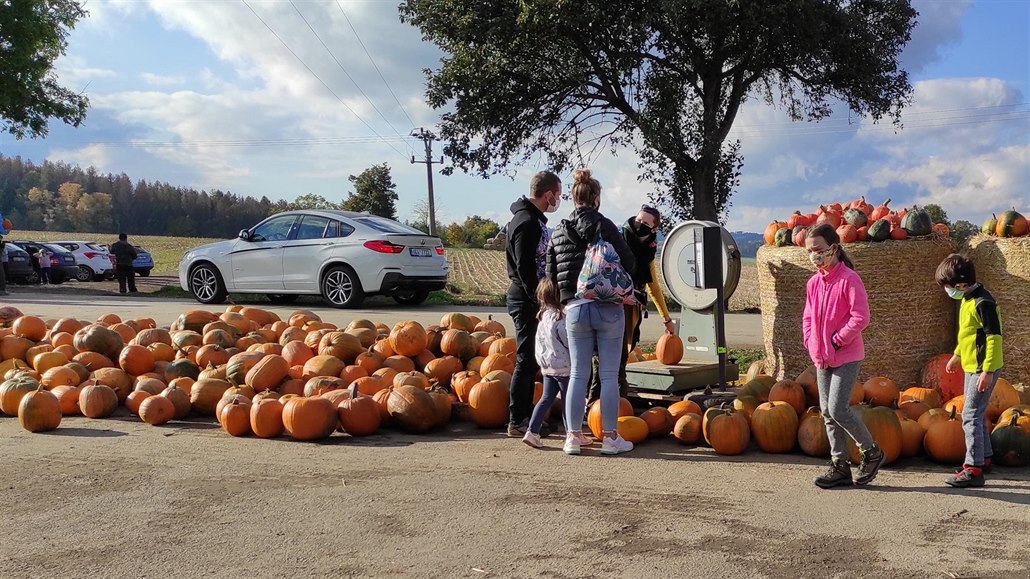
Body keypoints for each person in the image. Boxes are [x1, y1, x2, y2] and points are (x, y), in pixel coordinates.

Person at [547, 168, 636, 456]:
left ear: (573, 197)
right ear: (596, 198)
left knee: (577, 375)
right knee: (609, 375)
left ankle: (573, 437)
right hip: (608, 306)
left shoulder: (558, 231)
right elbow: (630, 263)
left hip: (574, 308)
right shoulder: (605, 225)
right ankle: (610, 438)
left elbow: (550, 274)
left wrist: (562, 301)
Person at [802, 222, 884, 488]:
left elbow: (861, 317)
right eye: (809, 251)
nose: (814, 255)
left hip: (846, 355)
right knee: (826, 412)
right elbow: (808, 317)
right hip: (821, 356)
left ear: (834, 248)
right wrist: (810, 340)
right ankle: (839, 466)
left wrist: (838, 340)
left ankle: (871, 452)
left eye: (818, 249)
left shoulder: (849, 279)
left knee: (837, 408)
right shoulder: (814, 283)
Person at [588, 205, 675, 400]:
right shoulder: (618, 241)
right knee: (603, 357)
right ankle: (598, 401)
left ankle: (615, 402)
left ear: (653, 229)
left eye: (645, 223)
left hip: (632, 309)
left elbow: (653, 287)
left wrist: (665, 318)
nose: (639, 225)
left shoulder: (648, 253)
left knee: (622, 356)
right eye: (638, 220)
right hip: (610, 305)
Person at [935, 253, 1003, 488]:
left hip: (983, 368)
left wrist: (988, 371)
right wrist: (957, 355)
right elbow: (969, 335)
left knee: (970, 415)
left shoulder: (984, 303)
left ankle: (973, 469)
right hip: (971, 365)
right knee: (976, 412)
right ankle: (983, 457)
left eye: (948, 287)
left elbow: (993, 338)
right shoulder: (967, 299)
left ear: (961, 285)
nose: (948, 291)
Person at [504, 171, 562, 437]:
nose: (558, 199)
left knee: (532, 360)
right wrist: (536, 300)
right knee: (526, 359)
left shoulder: (531, 220)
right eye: (558, 195)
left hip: (533, 298)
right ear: (547, 194)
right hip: (526, 299)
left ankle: (527, 415)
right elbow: (525, 267)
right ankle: (517, 420)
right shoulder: (526, 222)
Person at [522, 277, 581, 449]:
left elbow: (539, 342)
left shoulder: (542, 317)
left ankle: (532, 431)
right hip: (564, 366)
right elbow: (569, 340)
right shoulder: (560, 318)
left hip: (548, 366)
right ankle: (571, 434)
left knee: (545, 398)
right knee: (567, 401)